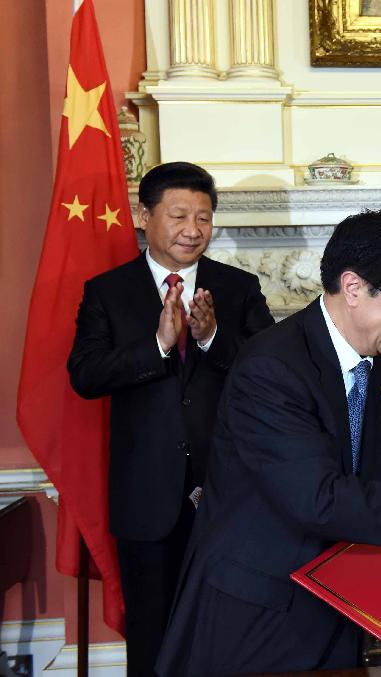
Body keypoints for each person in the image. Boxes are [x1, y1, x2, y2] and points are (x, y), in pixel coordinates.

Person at [156, 209, 381, 676]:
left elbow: (362, 470)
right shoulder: (272, 367)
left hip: (334, 599)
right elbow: (318, 497)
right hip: (257, 611)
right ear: (353, 287)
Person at [67, 162, 275, 676]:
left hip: (229, 491)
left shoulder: (239, 287)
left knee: (228, 630)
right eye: (179, 215)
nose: (193, 229)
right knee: (152, 634)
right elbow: (85, 375)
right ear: (144, 216)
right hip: (146, 496)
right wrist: (158, 345)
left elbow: (271, 377)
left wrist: (211, 339)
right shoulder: (108, 292)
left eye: (204, 217)